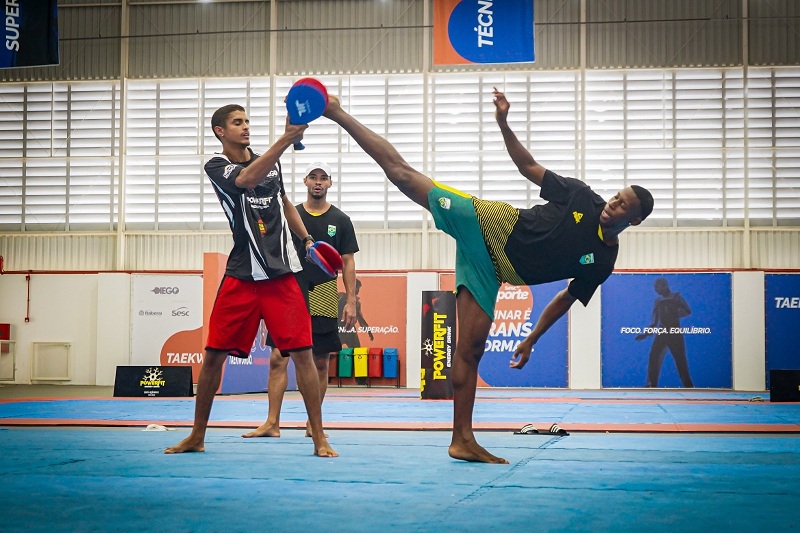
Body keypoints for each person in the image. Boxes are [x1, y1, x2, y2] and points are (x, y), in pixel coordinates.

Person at [322, 89, 653, 464]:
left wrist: (531, 338)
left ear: (635, 220)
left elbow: (566, 298)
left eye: (624, 205)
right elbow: (528, 167)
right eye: (616, 196)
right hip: (487, 225)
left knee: (471, 349)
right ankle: (337, 111)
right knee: (403, 175)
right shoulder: (582, 196)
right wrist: (503, 123)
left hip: (493, 270)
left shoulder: (603, 262)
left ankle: (462, 440)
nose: (613, 204)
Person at [165, 104, 337, 458]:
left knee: (303, 355)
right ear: (220, 131)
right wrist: (287, 139)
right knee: (213, 355)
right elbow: (245, 180)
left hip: (282, 275)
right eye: (237, 123)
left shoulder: (269, 163)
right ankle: (197, 435)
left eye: (247, 122)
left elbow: (286, 203)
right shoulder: (217, 166)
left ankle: (319, 436)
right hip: (242, 274)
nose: (245, 128)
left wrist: (306, 241)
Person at [243, 162, 360, 439]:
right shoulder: (289, 215)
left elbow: (348, 261)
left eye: (323, 178)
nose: (318, 182)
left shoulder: (341, 220)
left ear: (330, 183)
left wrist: (352, 300)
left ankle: (313, 424)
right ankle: (272, 422)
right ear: (306, 181)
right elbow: (271, 253)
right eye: (313, 177)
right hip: (289, 290)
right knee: (277, 358)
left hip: (323, 291)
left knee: (320, 362)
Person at [636, 277, 694, 388]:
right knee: (654, 356)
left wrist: (675, 312)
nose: (656, 290)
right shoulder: (658, 301)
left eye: (657, 287)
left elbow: (687, 311)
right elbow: (654, 321)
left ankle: (688, 385)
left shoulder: (677, 297)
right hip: (662, 331)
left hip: (675, 331)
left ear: (664, 285)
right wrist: (645, 334)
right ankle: (651, 384)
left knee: (680, 360)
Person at [337, 278, 373, 349]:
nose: (358, 291)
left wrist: (368, 331)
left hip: (350, 330)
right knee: (333, 352)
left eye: (358, 289)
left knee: (357, 350)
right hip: (338, 329)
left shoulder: (357, 303)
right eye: (357, 288)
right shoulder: (340, 296)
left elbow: (360, 319)